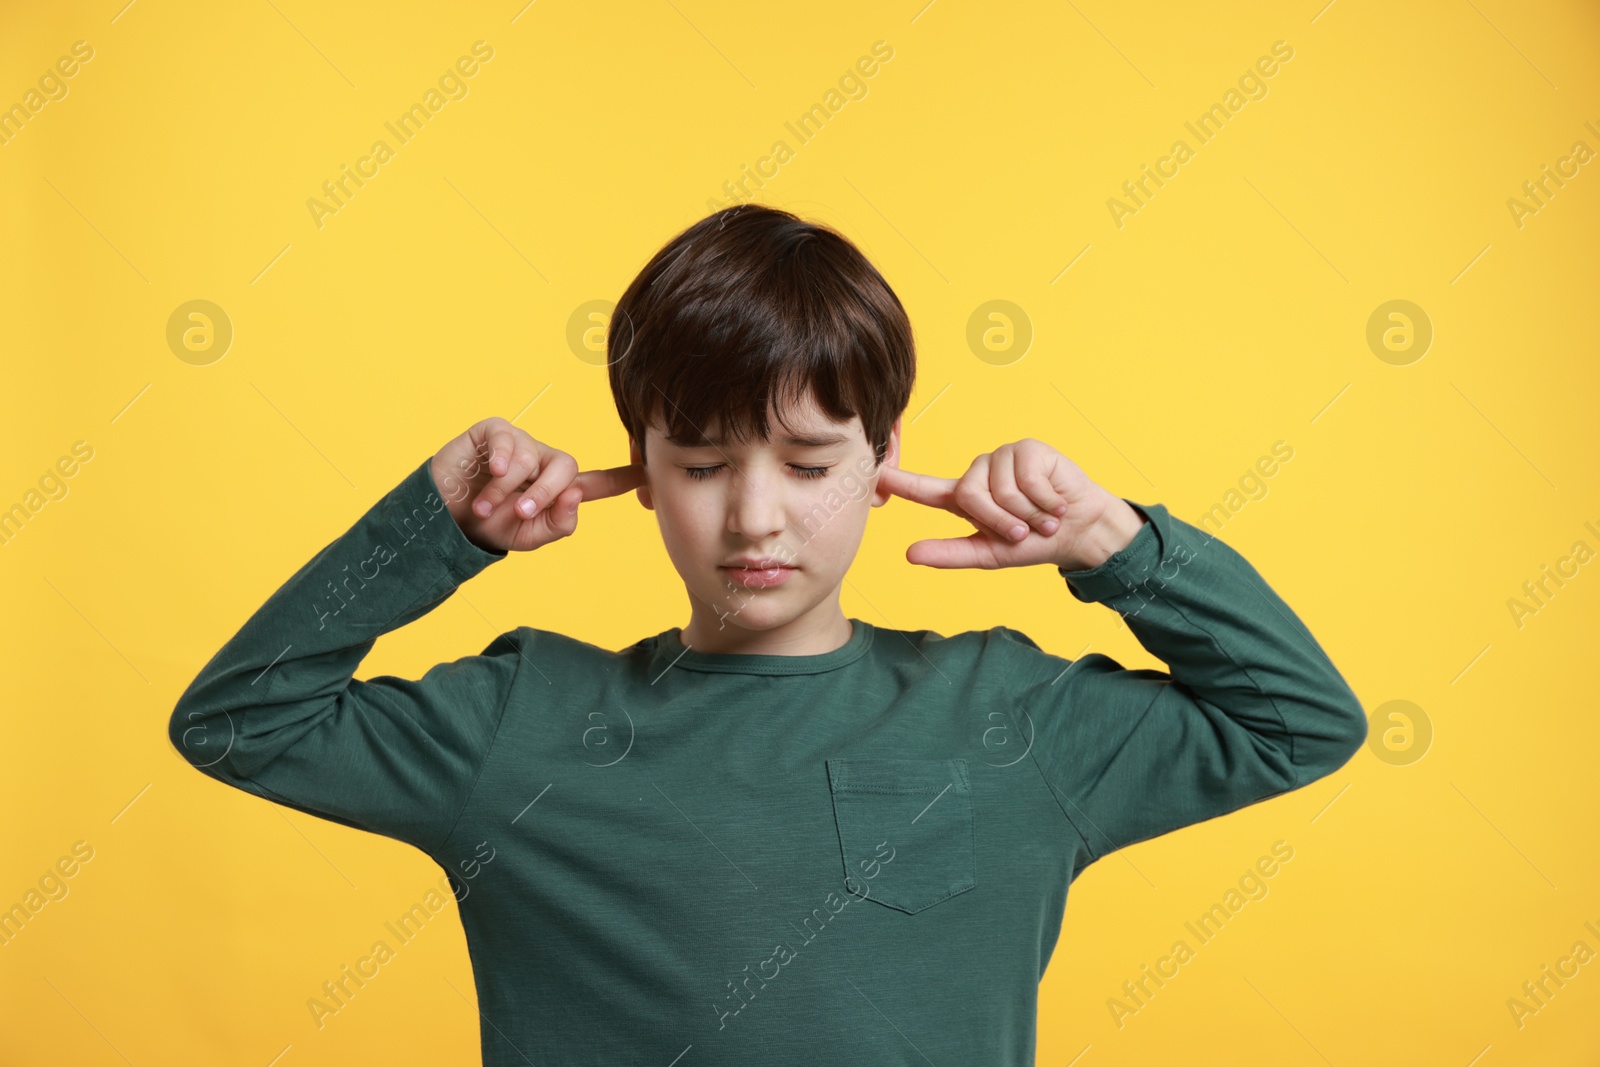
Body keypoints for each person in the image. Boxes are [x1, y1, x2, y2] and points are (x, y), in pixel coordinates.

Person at [168, 203, 1367, 1064]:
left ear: (886, 459)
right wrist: (435, 522)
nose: (754, 514)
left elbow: (1298, 720)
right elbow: (239, 720)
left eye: (809, 463)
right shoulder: (522, 720)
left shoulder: (1007, 713)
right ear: (639, 466)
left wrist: (1115, 543)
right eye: (700, 462)